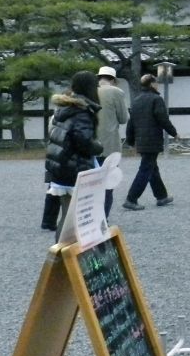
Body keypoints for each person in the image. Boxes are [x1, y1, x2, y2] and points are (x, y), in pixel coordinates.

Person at [42, 71, 104, 239]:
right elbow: (83, 141)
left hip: (61, 166)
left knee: (67, 215)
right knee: (75, 218)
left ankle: (62, 253)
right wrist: (98, 147)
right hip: (74, 168)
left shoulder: (64, 107)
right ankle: (63, 255)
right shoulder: (82, 111)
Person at [123, 73, 177, 211]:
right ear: (152, 84)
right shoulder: (156, 99)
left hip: (141, 140)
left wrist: (130, 140)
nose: (157, 84)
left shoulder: (136, 100)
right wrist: (174, 132)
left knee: (152, 168)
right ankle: (131, 198)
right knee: (146, 169)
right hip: (152, 139)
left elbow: (131, 122)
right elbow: (162, 119)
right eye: (156, 82)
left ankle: (161, 196)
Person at [96, 65, 128, 218]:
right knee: (108, 185)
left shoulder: (90, 92)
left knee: (91, 184)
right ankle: (103, 218)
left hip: (90, 144)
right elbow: (123, 118)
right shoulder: (116, 92)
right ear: (113, 80)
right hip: (110, 144)